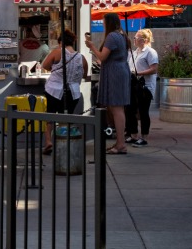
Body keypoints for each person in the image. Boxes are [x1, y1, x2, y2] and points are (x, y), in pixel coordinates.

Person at [87, 13, 131, 155]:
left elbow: (102, 56)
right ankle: (120, 143)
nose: (103, 24)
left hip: (115, 73)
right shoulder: (122, 35)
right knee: (118, 108)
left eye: (104, 21)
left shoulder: (112, 36)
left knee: (117, 108)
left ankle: (120, 144)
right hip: (120, 71)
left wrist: (92, 46)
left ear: (109, 22)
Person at [41, 29, 86, 154]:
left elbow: (45, 65)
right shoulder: (81, 57)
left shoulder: (57, 52)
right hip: (73, 92)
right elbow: (85, 74)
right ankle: (63, 143)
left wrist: (55, 69)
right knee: (65, 119)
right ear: (72, 42)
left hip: (54, 90)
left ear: (61, 42)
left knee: (50, 115)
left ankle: (49, 141)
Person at [126, 28, 157, 147]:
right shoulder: (135, 52)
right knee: (130, 109)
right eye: (134, 38)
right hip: (133, 84)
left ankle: (144, 136)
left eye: (136, 38)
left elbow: (154, 69)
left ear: (143, 40)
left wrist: (139, 73)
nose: (134, 39)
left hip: (145, 86)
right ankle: (133, 134)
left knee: (143, 111)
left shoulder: (150, 52)